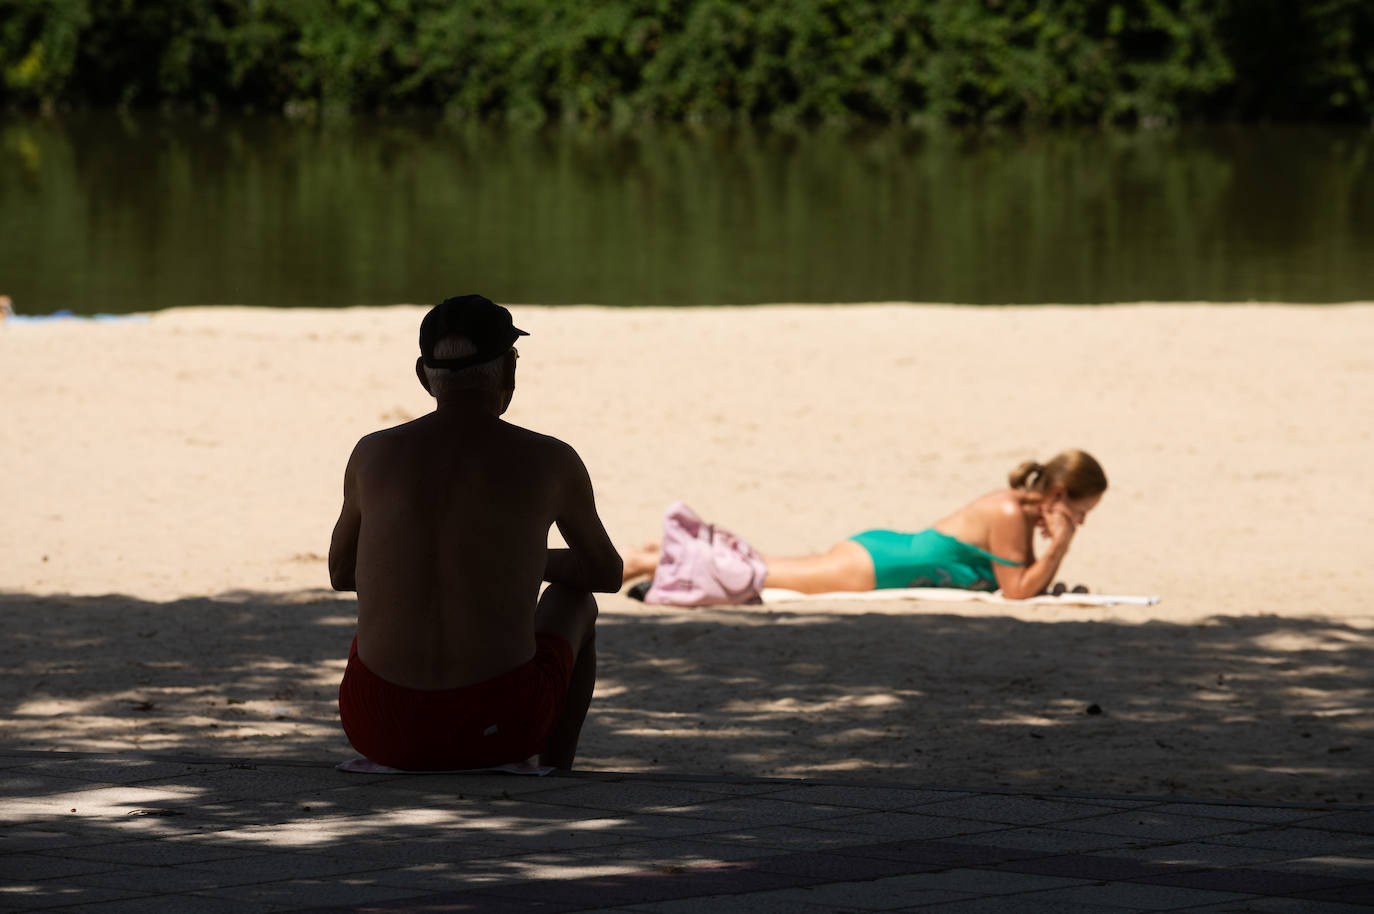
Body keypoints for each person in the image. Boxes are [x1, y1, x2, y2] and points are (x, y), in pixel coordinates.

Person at [329, 294, 622, 771]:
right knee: (576, 601)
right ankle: (557, 770)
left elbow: (342, 573)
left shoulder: (372, 454)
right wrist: (515, 557)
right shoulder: (550, 459)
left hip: (378, 728)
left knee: (385, 616)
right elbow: (605, 573)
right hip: (499, 730)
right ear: (509, 370)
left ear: (424, 377)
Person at [622, 450, 1107, 601]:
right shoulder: (1007, 513)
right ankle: (649, 559)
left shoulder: (1016, 512)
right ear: (1060, 496)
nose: (1079, 524)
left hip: (882, 554)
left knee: (765, 566)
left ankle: (660, 553)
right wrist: (1059, 547)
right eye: (1081, 513)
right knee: (759, 574)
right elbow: (1017, 591)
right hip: (874, 567)